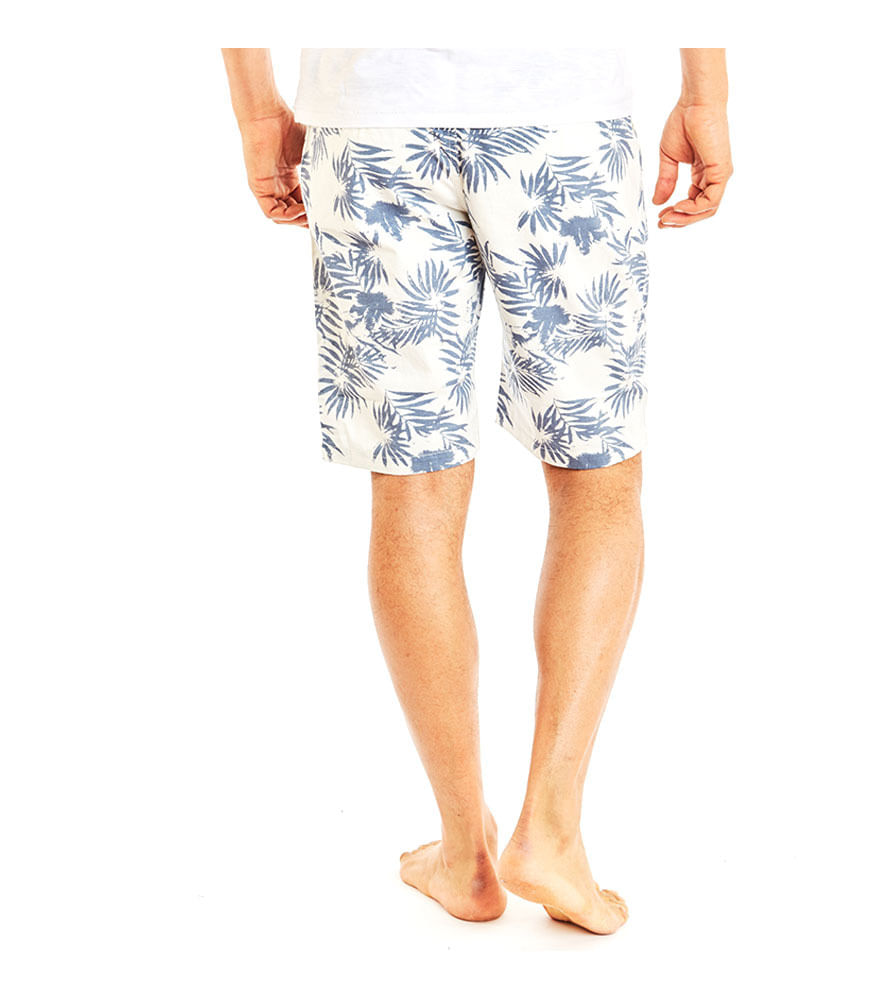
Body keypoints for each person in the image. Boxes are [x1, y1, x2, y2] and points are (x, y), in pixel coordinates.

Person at [221, 47, 732, 935]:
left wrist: (259, 111)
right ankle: (552, 832)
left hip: (374, 117)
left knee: (412, 485)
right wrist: (706, 92)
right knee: (598, 475)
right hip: (565, 113)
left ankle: (465, 855)